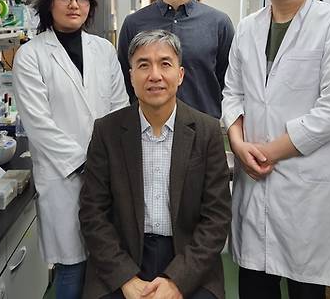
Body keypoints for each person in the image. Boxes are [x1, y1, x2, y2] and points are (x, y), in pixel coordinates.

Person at [222, 0, 330, 299]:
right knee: (255, 287)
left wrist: (265, 153)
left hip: (306, 186)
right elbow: (232, 93)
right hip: (254, 178)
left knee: (306, 290)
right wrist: (238, 144)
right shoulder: (247, 28)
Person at [79, 30, 231, 299]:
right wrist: (126, 278)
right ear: (131, 77)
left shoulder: (206, 131)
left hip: (187, 256)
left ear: (180, 75)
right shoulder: (107, 131)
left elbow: (216, 218)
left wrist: (177, 282)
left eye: (165, 64)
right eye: (143, 65)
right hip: (124, 256)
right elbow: (93, 214)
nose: (155, 75)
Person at [13, 0, 128, 299]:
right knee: (72, 267)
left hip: (107, 172)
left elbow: (119, 106)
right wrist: (88, 164)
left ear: (90, 4)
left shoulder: (104, 50)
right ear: (49, 3)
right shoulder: (31, 55)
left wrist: (109, 162)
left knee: (108, 263)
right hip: (63, 178)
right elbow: (39, 124)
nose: (74, 4)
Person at [117, 0, 234, 119]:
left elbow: (229, 85)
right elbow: (124, 81)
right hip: (147, 129)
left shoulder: (219, 23)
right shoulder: (134, 23)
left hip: (204, 129)